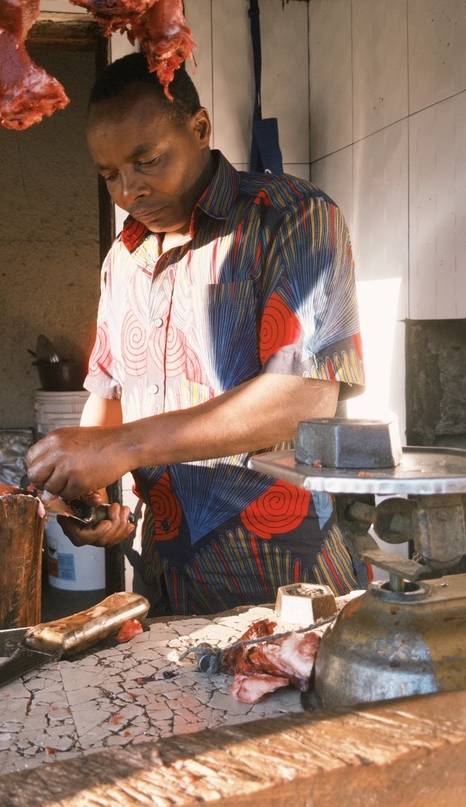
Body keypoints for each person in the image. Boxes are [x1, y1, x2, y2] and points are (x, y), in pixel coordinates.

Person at [26, 52, 365, 615]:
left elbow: (303, 400)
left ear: (200, 128)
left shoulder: (294, 218)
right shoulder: (123, 259)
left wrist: (121, 447)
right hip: (161, 576)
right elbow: (107, 393)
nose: (128, 190)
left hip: (285, 579)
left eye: (148, 160)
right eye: (109, 174)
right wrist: (92, 494)